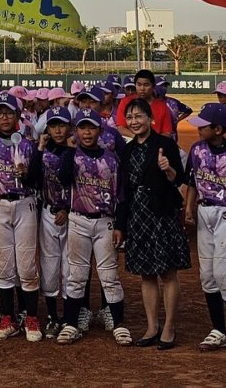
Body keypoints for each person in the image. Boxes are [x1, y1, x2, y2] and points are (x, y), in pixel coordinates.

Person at [55, 109, 131, 347]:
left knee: (109, 275)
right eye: (82, 128)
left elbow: (122, 196)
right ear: (76, 131)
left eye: (92, 128)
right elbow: (62, 177)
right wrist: (69, 149)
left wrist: (120, 225)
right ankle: (70, 323)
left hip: (105, 222)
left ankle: (118, 323)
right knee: (76, 275)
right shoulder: (72, 155)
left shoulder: (112, 159)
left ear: (100, 130)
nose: (87, 133)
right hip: (78, 219)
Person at [119, 98, 190, 351]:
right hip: (137, 216)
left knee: (168, 273)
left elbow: (178, 178)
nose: (134, 122)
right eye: (129, 117)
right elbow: (123, 190)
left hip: (161, 213)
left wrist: (167, 168)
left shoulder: (165, 144)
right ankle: (152, 326)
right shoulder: (126, 150)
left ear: (150, 119)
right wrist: (120, 224)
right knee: (146, 274)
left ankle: (169, 327)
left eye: (138, 116)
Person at [183, 103, 226, 356]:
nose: (199, 129)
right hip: (204, 212)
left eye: (203, 126)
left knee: (224, 273)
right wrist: (189, 208)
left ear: (218, 129)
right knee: (208, 276)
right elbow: (192, 181)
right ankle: (218, 330)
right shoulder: (197, 149)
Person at [0, 92, 42, 342]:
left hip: (24, 203)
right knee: (3, 265)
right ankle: (7, 319)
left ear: (17, 116)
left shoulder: (27, 144)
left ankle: (31, 317)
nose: (4, 117)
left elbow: (37, 180)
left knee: (26, 265)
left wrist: (26, 174)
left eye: (9, 112)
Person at [29, 106, 72, 340]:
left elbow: (74, 182)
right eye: (53, 126)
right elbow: (32, 178)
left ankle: (69, 316)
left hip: (71, 215)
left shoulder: (75, 152)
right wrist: (39, 149)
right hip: (47, 212)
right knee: (49, 265)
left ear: (69, 128)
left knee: (69, 266)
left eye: (61, 125)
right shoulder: (42, 151)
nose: (57, 130)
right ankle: (53, 316)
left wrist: (67, 206)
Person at [115, 70, 173, 139]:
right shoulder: (125, 102)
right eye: (139, 85)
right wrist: (137, 139)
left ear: (153, 86)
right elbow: (120, 127)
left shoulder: (162, 106)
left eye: (146, 85)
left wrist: (154, 143)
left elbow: (167, 132)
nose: (142, 89)